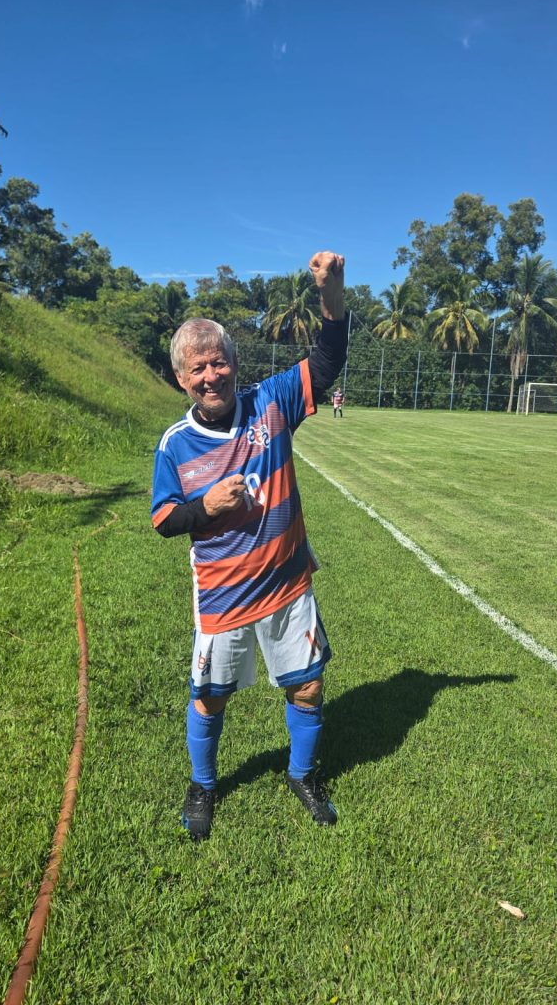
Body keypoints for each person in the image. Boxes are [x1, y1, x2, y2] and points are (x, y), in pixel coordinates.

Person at [151, 250, 347, 841]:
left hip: (287, 582)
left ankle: (303, 775)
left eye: (219, 363)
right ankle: (203, 785)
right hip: (223, 594)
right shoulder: (175, 444)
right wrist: (205, 508)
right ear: (182, 379)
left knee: (307, 685)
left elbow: (328, 359)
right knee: (210, 698)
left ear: (235, 365)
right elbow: (164, 519)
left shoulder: (272, 402)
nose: (210, 376)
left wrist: (332, 293)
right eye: (197, 369)